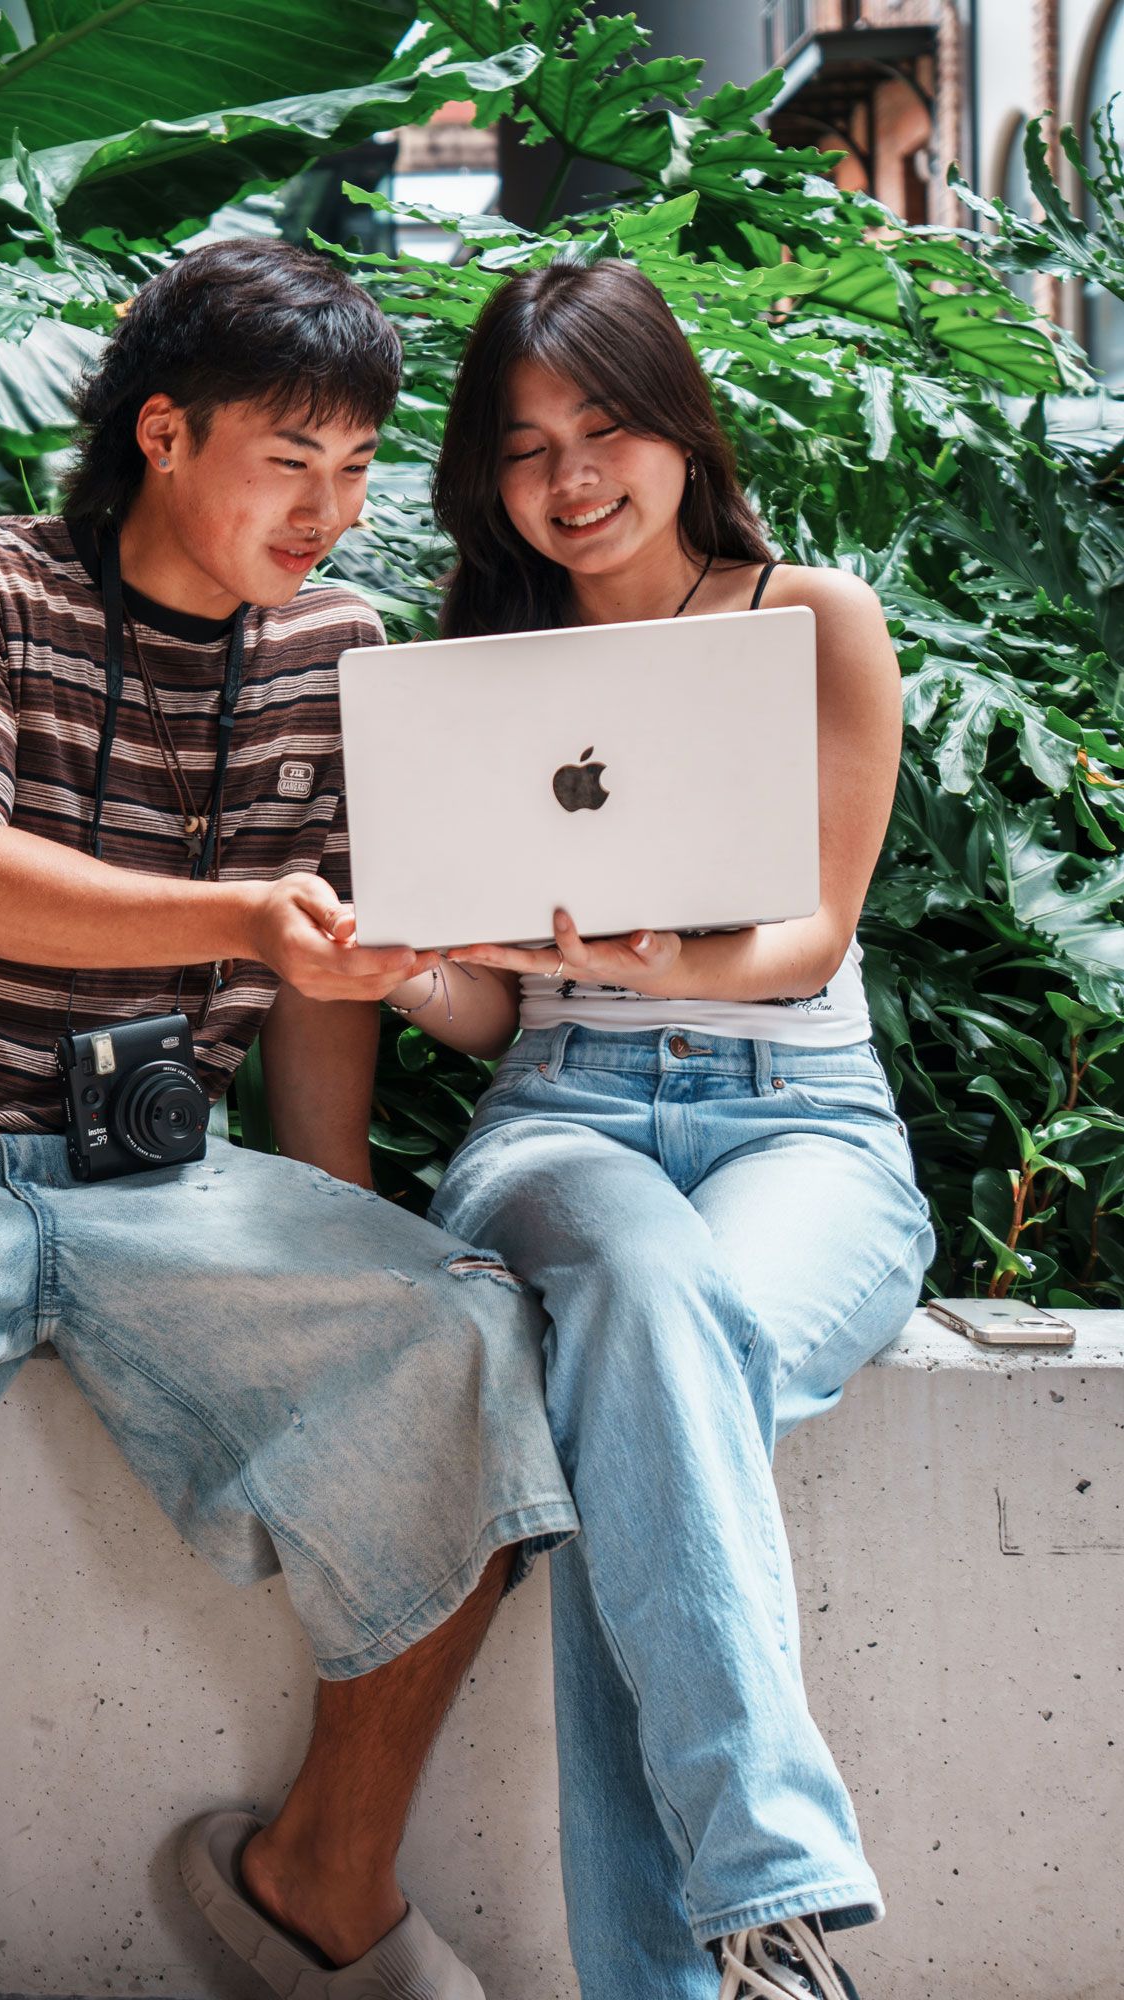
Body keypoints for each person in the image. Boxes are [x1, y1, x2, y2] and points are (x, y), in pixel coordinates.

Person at [0, 237, 576, 2000]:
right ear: (163, 431)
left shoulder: (342, 647)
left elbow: (330, 980)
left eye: (357, 465)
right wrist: (245, 911)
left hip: (163, 1180)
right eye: (287, 457)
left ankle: (323, 1869)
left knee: (465, 1332)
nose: (329, 507)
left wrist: (339, 1228)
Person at [378, 259, 936, 2000]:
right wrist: (409, 968)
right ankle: (766, 1877)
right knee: (638, 1302)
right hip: (567, 1125)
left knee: (654, 1385)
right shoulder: (480, 669)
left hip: (807, 1128)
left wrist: (663, 954)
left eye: (604, 427)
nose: (572, 478)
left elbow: (811, 939)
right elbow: (491, 1006)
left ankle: (700, 1960)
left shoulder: (813, 615)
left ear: (679, 428)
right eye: (529, 446)